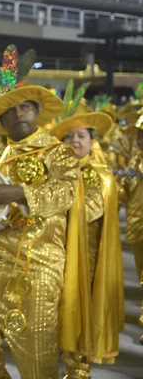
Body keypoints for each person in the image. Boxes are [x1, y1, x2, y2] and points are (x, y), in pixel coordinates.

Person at [0, 45, 83, 378]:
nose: (19, 114)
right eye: (10, 111)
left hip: (36, 265)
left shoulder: (58, 152)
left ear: (37, 111)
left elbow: (67, 192)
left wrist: (17, 193)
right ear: (0, 120)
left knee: (36, 359)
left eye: (25, 107)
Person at [50, 84, 124, 378]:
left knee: (79, 310)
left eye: (81, 136)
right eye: (69, 136)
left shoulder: (100, 177)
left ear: (93, 142)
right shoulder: (57, 170)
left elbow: (89, 210)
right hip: (58, 253)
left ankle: (78, 369)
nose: (75, 141)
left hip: (86, 260)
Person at [120, 113, 143, 344]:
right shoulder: (135, 160)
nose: (139, 139)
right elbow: (125, 192)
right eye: (138, 135)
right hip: (136, 228)